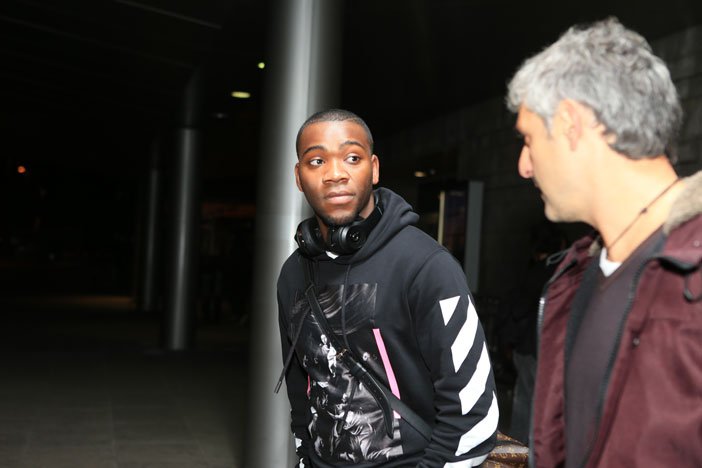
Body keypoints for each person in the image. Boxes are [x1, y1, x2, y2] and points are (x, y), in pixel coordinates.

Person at [507, 17, 702, 468]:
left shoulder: (691, 276)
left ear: (571, 123)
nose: (524, 166)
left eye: (529, 140)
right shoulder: (576, 275)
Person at [277, 108, 498, 467]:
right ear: (299, 177)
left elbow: (473, 416)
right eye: (317, 161)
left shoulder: (427, 266)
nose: (335, 173)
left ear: (374, 168)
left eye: (352, 157)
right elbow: (301, 390)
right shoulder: (293, 274)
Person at [500, 221, 565, 444]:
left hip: (526, 348)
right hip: (542, 349)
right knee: (543, 407)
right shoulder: (558, 274)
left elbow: (514, 308)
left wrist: (510, 341)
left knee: (525, 404)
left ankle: (518, 453)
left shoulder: (531, 273)